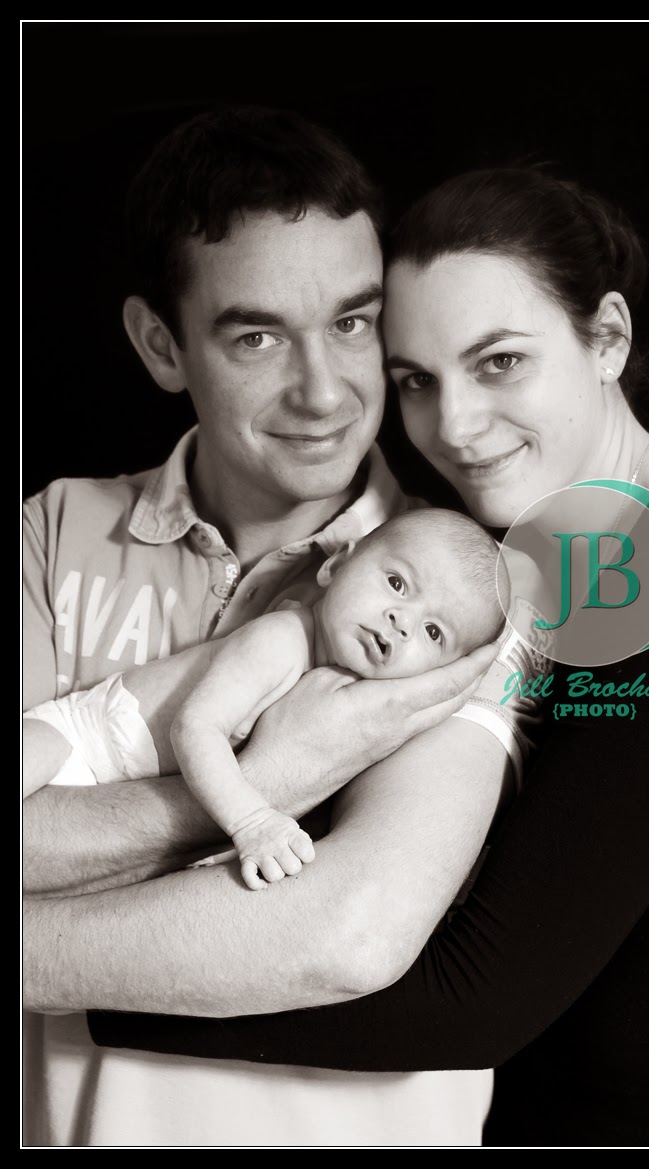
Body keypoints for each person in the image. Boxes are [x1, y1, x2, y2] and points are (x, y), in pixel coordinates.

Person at [82, 167, 649, 1146]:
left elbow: (471, 994)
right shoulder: (498, 574)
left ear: (607, 337)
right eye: (416, 380)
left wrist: (59, 979)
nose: (452, 425)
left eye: (500, 362)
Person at [22, 108, 539, 1148]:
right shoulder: (52, 532)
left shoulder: (466, 595)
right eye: (257, 336)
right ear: (161, 344)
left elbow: (346, 932)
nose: (324, 391)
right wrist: (280, 777)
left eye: (351, 323)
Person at [24, 508, 508, 889]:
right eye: (397, 583)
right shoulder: (282, 638)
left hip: (114, 791)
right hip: (78, 738)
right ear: (336, 565)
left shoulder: (349, 704)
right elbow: (195, 728)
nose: (403, 621)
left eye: (433, 632)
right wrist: (252, 821)